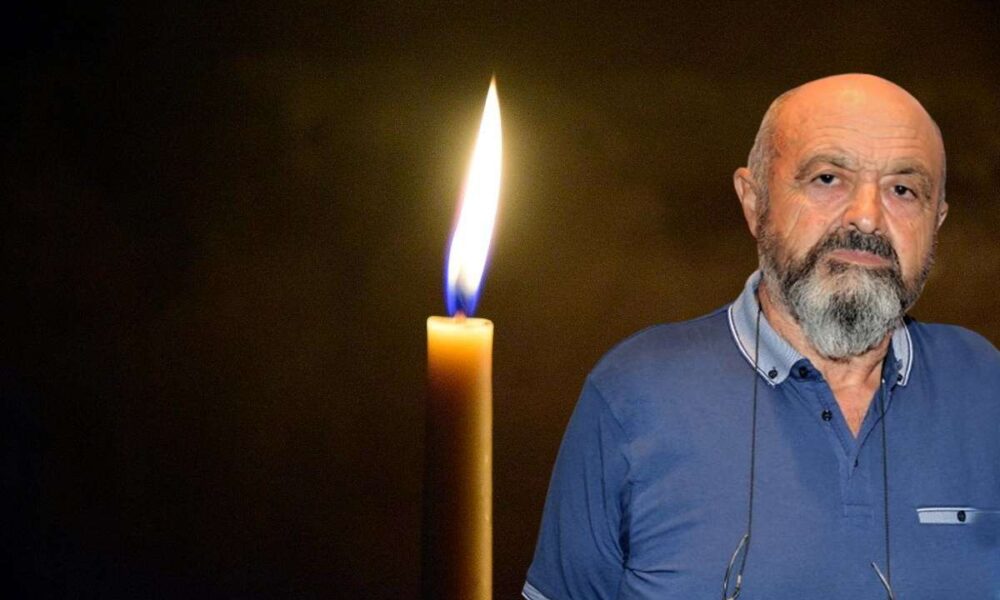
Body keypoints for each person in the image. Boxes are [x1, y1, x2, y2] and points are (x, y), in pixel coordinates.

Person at [523, 74, 1000, 599]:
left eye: (903, 190)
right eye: (827, 178)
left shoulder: (985, 385)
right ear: (754, 202)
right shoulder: (634, 393)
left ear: (936, 221)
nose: (866, 217)